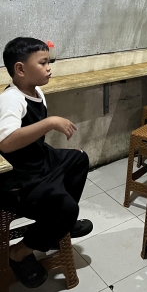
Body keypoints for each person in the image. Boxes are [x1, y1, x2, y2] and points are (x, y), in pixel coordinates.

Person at [0, 37, 93, 289]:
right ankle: (18, 253)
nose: (49, 68)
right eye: (43, 63)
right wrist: (50, 123)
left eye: (48, 62)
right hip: (19, 174)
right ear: (20, 69)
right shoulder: (11, 99)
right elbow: (6, 143)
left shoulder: (36, 91)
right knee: (67, 208)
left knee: (79, 158)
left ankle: (56, 227)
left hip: (39, 158)